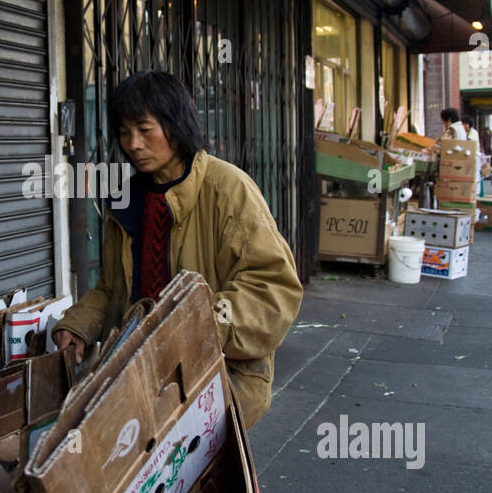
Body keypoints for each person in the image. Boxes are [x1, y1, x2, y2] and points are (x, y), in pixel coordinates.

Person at [51, 71, 303, 428]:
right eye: (124, 132)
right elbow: (111, 289)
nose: (133, 144)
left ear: (175, 124)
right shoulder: (125, 199)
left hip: (212, 379)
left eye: (144, 129)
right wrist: (77, 326)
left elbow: (273, 290)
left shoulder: (228, 189)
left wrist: (193, 327)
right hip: (139, 379)